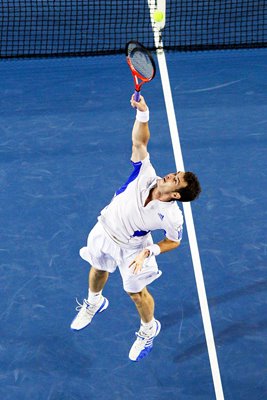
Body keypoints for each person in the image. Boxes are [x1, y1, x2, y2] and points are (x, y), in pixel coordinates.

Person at [70, 94, 201, 362]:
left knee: (136, 294)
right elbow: (140, 141)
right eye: (174, 173)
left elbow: (173, 241)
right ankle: (95, 302)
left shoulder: (172, 217)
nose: (170, 175)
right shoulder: (145, 172)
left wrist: (149, 251)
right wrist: (143, 114)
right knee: (98, 268)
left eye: (175, 180)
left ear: (176, 194)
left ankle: (148, 329)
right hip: (105, 230)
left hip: (134, 248)